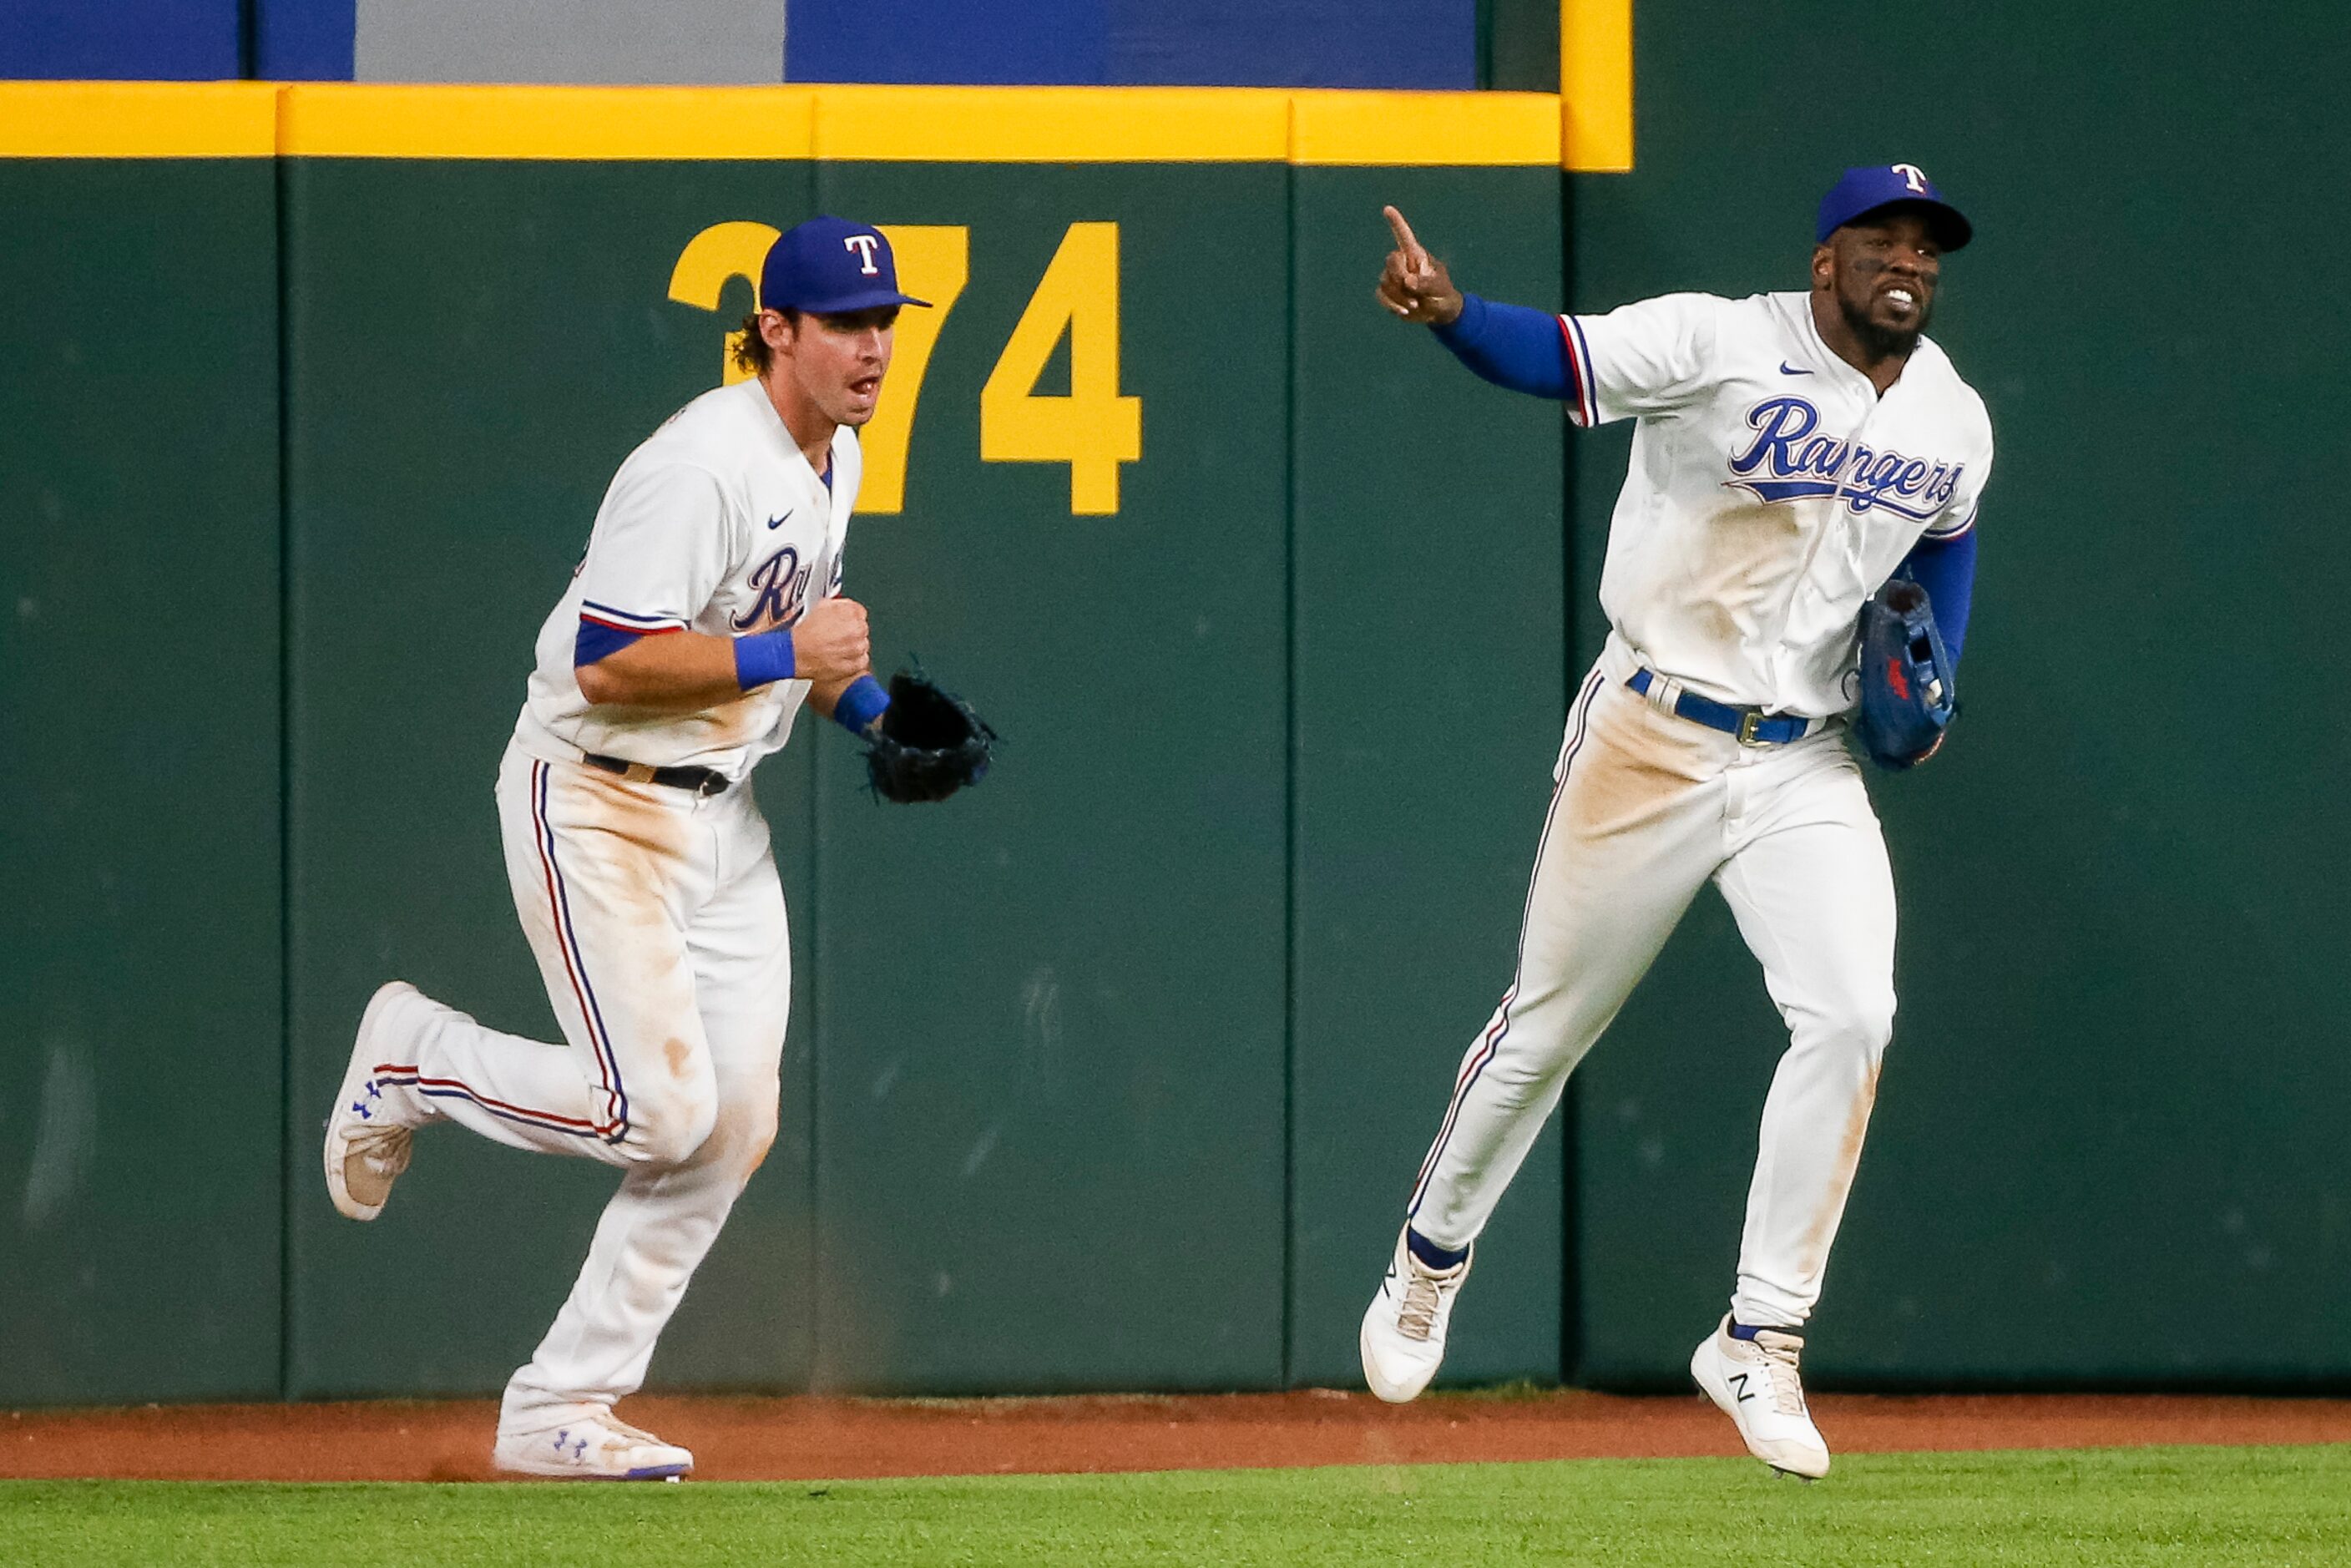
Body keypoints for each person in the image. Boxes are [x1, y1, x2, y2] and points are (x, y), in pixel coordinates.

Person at [1358, 166, 1991, 1479]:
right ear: (1827, 260)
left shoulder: (1954, 416)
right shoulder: (1720, 340)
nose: (1910, 264)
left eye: (1929, 248)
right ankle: (1431, 1255)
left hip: (1806, 761)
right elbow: (1560, 356)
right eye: (1885, 239)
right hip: (1651, 730)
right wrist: (1452, 310)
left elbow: (1948, 537)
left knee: (1854, 1011)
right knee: (1545, 1029)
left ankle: (1761, 1333)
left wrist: (1938, 678)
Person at [321, 216, 928, 1480]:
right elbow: (611, 656)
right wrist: (794, 659)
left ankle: (562, 1405)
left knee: (732, 1123)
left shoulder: (838, 454)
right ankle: (416, 1060)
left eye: (885, 322)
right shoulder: (700, 461)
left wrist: (877, 716)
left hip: (723, 818)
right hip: (594, 799)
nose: (873, 346)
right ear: (777, 329)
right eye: (846, 323)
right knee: (652, 1108)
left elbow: (779, 630)